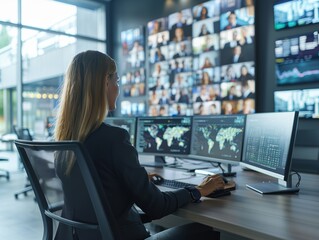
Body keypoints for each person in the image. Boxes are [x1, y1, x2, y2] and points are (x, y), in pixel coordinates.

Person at [54, 50, 225, 240]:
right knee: (207, 231)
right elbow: (157, 206)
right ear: (105, 82)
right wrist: (197, 190)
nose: (118, 89)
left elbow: (99, 192)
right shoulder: (114, 139)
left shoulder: (65, 143)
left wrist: (137, 181)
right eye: (117, 81)